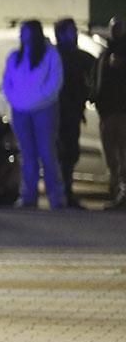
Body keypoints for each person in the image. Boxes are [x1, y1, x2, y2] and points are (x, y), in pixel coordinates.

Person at [2, 20, 65, 209]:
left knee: (46, 153)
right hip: (20, 111)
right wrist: (16, 100)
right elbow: (7, 81)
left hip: (44, 110)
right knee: (27, 155)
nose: (22, 36)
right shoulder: (15, 57)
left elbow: (55, 82)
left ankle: (56, 196)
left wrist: (37, 99)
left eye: (25, 32)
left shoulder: (50, 55)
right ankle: (28, 195)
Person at [55, 18, 95, 208]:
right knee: (61, 151)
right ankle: (62, 192)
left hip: (71, 111)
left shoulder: (79, 57)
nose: (75, 34)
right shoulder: (56, 56)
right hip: (57, 111)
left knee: (69, 152)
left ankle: (65, 191)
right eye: (71, 31)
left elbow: (94, 76)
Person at [93, 16, 126, 209]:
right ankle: (116, 192)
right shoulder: (106, 53)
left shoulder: (120, 53)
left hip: (121, 112)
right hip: (107, 113)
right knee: (112, 157)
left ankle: (121, 195)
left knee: (122, 156)